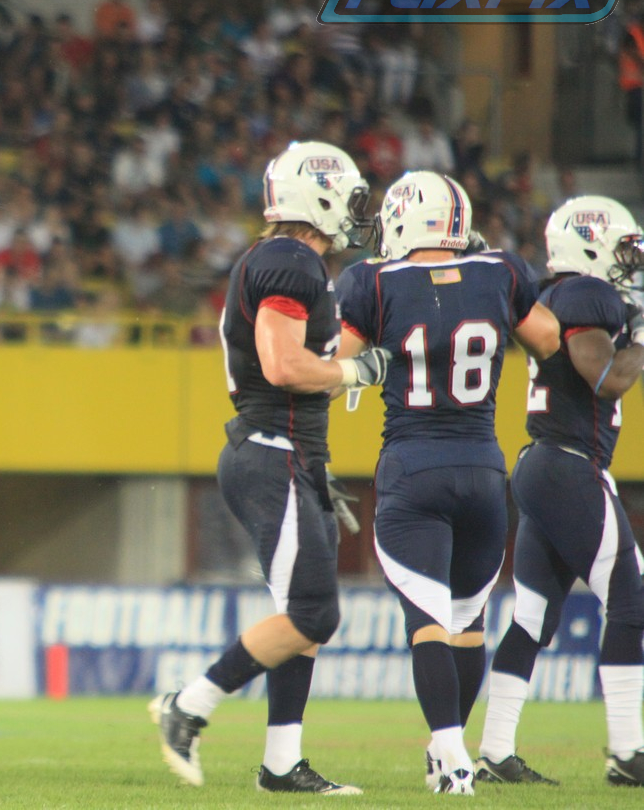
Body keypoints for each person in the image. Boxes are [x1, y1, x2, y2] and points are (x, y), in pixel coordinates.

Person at [151, 141, 389, 795]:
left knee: (299, 618)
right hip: (271, 450)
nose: (355, 211)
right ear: (318, 196)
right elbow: (284, 366)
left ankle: (282, 763)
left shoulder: (286, 260)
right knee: (314, 613)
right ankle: (189, 704)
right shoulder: (290, 260)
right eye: (348, 197)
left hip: (287, 452)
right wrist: (355, 371)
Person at [335, 171, 560, 795]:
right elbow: (548, 340)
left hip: (413, 466)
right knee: (468, 620)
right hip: (484, 468)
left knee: (428, 621)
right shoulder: (501, 272)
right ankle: (448, 753)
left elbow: (338, 364)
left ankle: (452, 755)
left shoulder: (371, 280)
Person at [475, 196, 644, 787]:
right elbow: (608, 380)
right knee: (631, 597)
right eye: (622, 249)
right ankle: (628, 751)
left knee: (532, 617)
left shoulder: (559, 296)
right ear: (591, 246)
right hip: (569, 464)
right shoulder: (585, 294)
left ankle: (496, 751)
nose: (629, 263)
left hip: (544, 464)